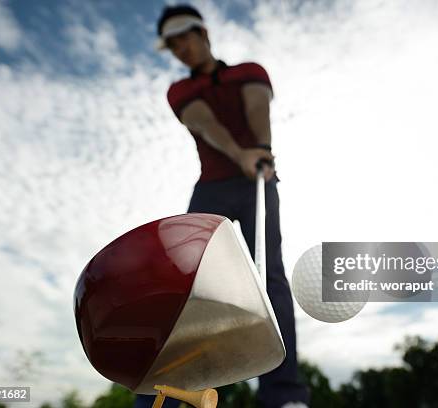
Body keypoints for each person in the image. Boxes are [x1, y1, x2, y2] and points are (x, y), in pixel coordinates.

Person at [133, 4, 309, 408]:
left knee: (270, 279)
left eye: (185, 38)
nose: (181, 49)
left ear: (204, 33)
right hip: (211, 190)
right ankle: (171, 395)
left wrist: (260, 151)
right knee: (189, 286)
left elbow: (256, 108)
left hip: (257, 184)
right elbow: (206, 125)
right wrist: (240, 153)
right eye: (172, 45)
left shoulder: (249, 71)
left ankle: (283, 397)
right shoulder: (179, 90)